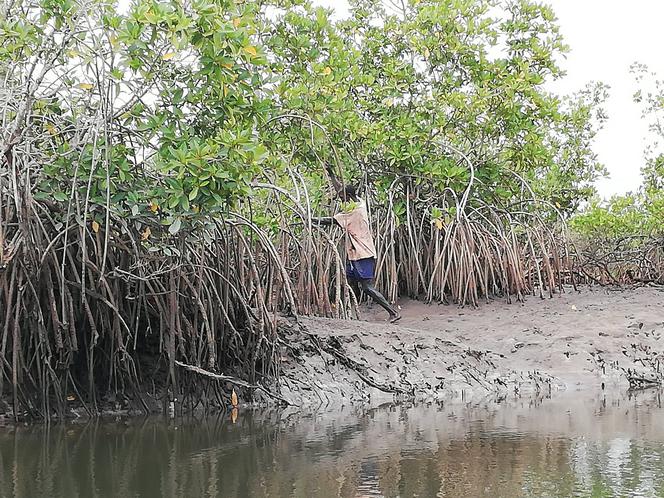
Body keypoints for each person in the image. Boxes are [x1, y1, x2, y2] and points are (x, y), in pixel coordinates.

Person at [314, 184, 401, 323]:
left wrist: (309, 218)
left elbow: (330, 221)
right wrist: (331, 174)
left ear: (348, 197)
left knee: (367, 287)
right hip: (354, 254)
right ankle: (341, 311)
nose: (341, 200)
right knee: (346, 280)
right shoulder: (360, 201)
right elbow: (341, 189)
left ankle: (393, 312)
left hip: (363, 254)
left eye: (342, 197)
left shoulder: (355, 212)